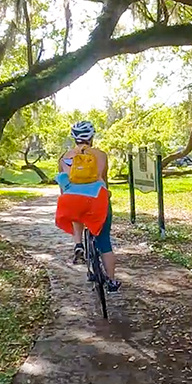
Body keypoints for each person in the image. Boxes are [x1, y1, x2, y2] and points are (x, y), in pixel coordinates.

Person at [54, 120, 121, 293]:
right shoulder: (100, 155)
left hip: (71, 200)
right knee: (104, 240)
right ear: (92, 137)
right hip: (97, 199)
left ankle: (78, 245)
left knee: (76, 213)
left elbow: (62, 185)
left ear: (74, 137)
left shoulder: (64, 157)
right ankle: (112, 281)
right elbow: (103, 179)